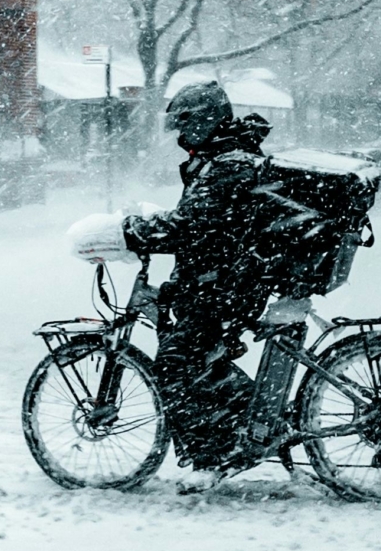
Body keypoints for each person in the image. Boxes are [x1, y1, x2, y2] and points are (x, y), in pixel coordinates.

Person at [119, 80, 280, 474]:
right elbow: (204, 225)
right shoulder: (223, 157)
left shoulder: (228, 164)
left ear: (203, 122)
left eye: (184, 126)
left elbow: (192, 225)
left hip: (226, 285)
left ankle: (217, 454)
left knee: (175, 361)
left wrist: (134, 231)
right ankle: (246, 428)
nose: (181, 137)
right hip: (223, 279)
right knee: (199, 357)